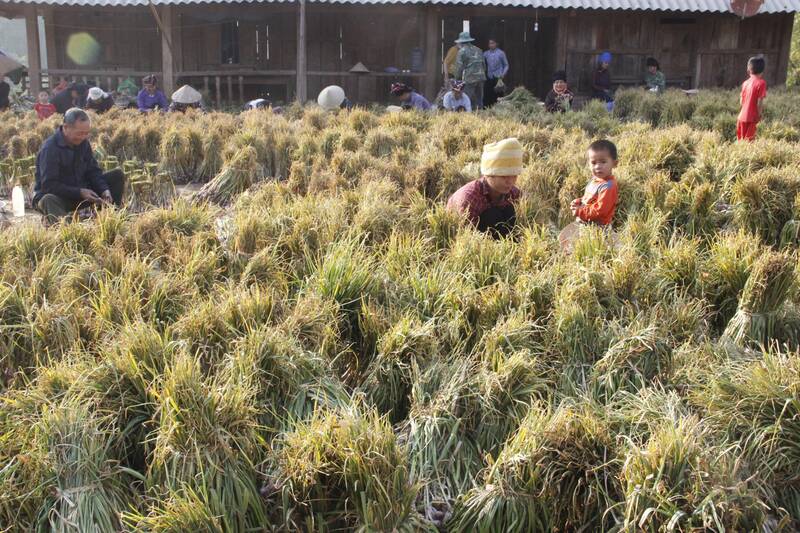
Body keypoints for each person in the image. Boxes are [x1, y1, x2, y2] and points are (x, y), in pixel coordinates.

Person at [33, 108, 126, 225]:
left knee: (116, 175)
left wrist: (104, 189)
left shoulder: (83, 143)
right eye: (79, 133)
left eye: (86, 133)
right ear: (66, 128)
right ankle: (67, 234)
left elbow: (93, 171)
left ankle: (110, 221)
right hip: (59, 196)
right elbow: (48, 185)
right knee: (48, 199)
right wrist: (79, 192)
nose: (83, 137)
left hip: (82, 192)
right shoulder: (50, 149)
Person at [447, 137, 522, 238]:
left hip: (497, 233)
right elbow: (463, 237)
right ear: (488, 175)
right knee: (492, 216)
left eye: (514, 176)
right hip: (466, 235)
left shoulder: (513, 193)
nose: (510, 182)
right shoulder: (469, 199)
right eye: (504, 176)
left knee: (511, 211)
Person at [570, 139, 619, 227]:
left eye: (603, 162)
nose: (597, 166)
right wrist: (580, 201)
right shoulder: (595, 180)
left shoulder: (608, 187)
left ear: (614, 164)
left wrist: (579, 211)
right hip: (586, 225)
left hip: (598, 230)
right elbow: (591, 199)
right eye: (593, 163)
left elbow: (600, 211)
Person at [736, 56, 767, 142]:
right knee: (749, 145)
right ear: (762, 71)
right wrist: (760, 114)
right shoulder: (761, 83)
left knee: (741, 145)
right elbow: (759, 102)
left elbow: (741, 102)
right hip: (752, 119)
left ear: (748, 70)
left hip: (741, 118)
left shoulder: (745, 83)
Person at [453, 32, 486, 111]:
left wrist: (457, 80)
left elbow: (459, 68)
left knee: (466, 99)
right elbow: (484, 65)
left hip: (470, 78)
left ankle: (468, 117)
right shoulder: (479, 50)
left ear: (461, 42)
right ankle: (480, 116)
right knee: (479, 100)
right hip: (481, 78)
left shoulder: (462, 51)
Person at [483, 38, 509, 108]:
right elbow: (481, 63)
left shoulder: (501, 53)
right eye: (489, 43)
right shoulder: (486, 54)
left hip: (498, 78)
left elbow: (506, 65)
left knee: (498, 95)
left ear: (496, 44)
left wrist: (503, 74)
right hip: (489, 77)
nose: (491, 45)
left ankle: (498, 109)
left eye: (492, 43)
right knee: (488, 94)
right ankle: (488, 109)